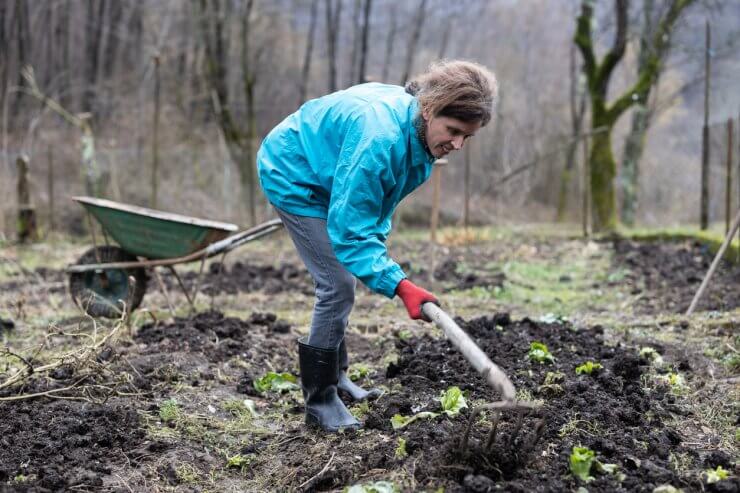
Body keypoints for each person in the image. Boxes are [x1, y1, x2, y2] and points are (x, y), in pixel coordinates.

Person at [257, 60, 498, 432]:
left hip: (332, 170)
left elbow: (374, 211)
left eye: (468, 136)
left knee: (347, 274)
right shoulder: (380, 139)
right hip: (295, 172)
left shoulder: (421, 144)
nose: (458, 144)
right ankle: (320, 401)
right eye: (453, 131)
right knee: (337, 284)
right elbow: (350, 231)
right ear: (429, 108)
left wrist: (379, 259)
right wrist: (399, 285)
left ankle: (337, 377)